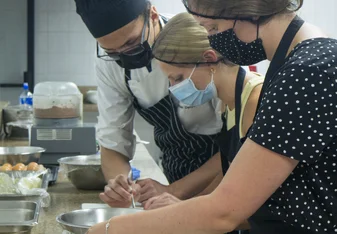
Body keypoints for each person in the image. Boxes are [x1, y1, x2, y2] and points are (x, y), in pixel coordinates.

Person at [86, 0, 337, 234]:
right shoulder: (297, 64)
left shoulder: (306, 72)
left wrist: (111, 228)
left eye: (213, 27)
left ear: (246, 11)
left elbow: (224, 212)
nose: (213, 42)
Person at [74, 0, 224, 208]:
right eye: (113, 53)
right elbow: (113, 139)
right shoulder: (109, 65)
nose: (125, 56)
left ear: (153, 15)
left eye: (132, 43)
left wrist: (176, 192)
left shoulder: (196, 39)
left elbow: (238, 146)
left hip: (225, 174)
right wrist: (123, 187)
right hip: (175, 172)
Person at [143, 13, 263, 215]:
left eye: (178, 78)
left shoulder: (254, 99)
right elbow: (228, 175)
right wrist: (185, 204)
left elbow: (249, 195)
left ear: (209, 59)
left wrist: (184, 209)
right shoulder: (227, 103)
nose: (174, 89)